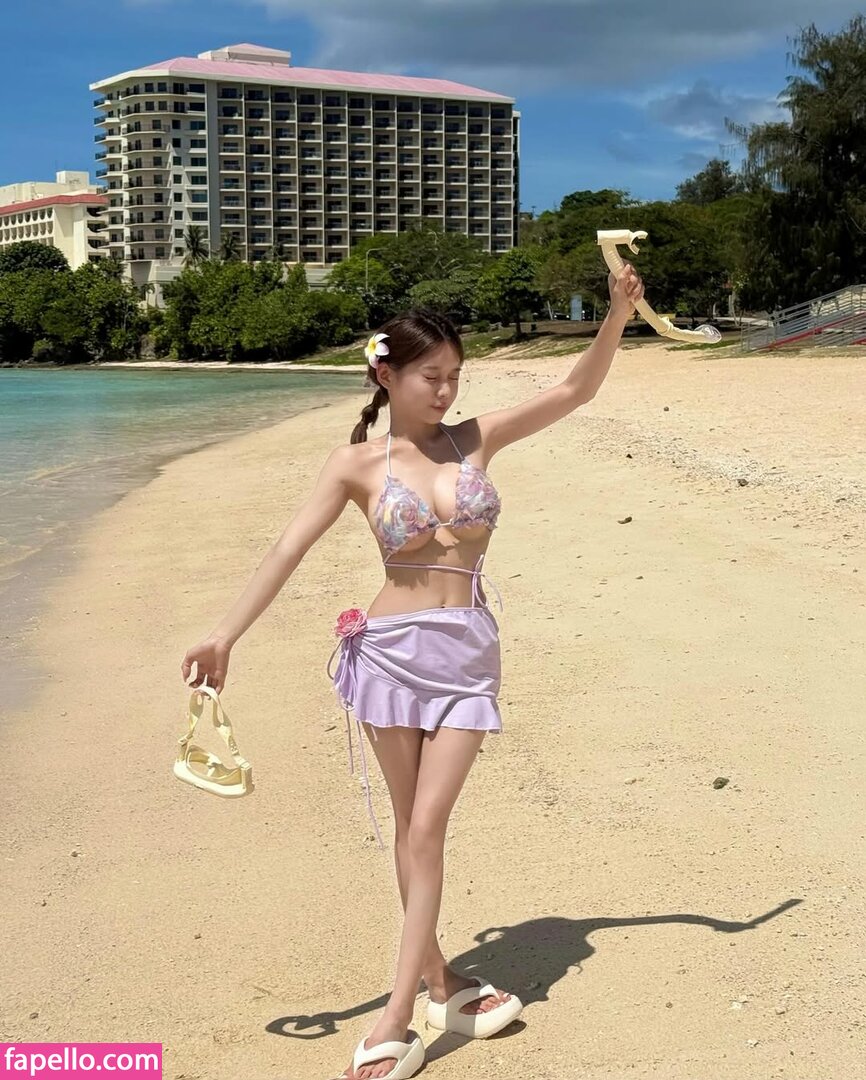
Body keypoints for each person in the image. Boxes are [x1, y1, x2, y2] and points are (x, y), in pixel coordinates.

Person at [181, 263, 645, 1080]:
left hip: (467, 655)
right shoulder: (354, 464)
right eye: (431, 376)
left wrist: (616, 315)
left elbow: (576, 390)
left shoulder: (476, 439)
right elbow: (287, 549)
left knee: (426, 828)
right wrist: (225, 635)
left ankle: (400, 1017)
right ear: (386, 375)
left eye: (455, 376)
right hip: (389, 655)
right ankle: (436, 986)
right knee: (411, 831)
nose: (446, 391)